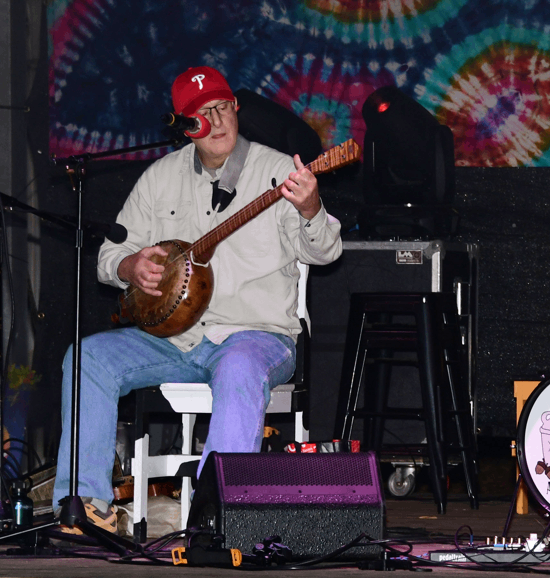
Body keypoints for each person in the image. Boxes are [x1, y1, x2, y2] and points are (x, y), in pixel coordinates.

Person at [52, 66, 343, 534]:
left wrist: (311, 208)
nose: (220, 119)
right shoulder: (159, 178)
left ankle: (214, 516)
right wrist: (131, 267)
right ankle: (86, 506)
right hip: (174, 338)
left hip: (256, 335)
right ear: (188, 125)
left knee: (238, 368)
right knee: (87, 359)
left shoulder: (278, 170)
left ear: (235, 109)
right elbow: (112, 255)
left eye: (224, 107)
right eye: (205, 113)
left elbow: (324, 251)